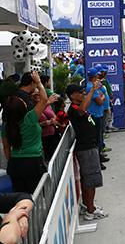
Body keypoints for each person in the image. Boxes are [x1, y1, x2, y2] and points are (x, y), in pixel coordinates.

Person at [3, 71, 56, 193]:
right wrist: (38, 82)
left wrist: (12, 162)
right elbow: (44, 99)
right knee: (36, 195)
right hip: (33, 162)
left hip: (15, 164)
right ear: (21, 109)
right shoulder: (29, 119)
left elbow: (6, 148)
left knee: (21, 197)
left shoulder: (6, 126)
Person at [66, 83, 108, 220]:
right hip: (86, 148)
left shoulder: (78, 107)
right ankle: (91, 211)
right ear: (72, 95)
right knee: (91, 179)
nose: (83, 94)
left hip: (90, 146)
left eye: (84, 91)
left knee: (88, 180)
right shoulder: (74, 109)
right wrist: (92, 91)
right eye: (80, 92)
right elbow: (82, 109)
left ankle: (88, 205)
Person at [31, 89, 59, 162]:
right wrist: (44, 123)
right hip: (42, 138)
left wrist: (54, 120)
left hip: (53, 135)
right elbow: (30, 125)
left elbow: (54, 116)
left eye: (38, 93)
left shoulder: (47, 105)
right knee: (48, 159)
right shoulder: (31, 108)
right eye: (34, 94)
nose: (37, 95)